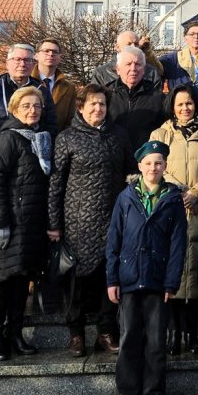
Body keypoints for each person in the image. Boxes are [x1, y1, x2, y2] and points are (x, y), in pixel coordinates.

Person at [48, 83, 134, 355]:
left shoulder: (118, 136)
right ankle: (76, 334)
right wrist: (54, 223)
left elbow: (130, 173)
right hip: (78, 222)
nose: (98, 108)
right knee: (77, 282)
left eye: (102, 104)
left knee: (109, 276)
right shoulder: (67, 138)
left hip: (112, 219)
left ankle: (105, 331)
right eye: (93, 104)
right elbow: (56, 184)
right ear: (81, 107)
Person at [106, 140, 187, 395]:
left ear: (165, 166)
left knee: (155, 339)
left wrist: (171, 282)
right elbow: (114, 239)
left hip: (157, 279)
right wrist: (112, 279)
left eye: (158, 163)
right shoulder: (126, 198)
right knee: (129, 337)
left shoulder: (172, 199)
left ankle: (154, 392)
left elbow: (178, 244)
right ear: (140, 166)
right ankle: (127, 393)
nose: (153, 167)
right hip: (129, 278)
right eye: (149, 163)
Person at [0, 87, 53, 360]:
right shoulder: (8, 139)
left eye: (37, 106)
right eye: (26, 106)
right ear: (14, 109)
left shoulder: (40, 138)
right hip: (10, 222)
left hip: (31, 223)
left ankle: (15, 332)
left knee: (22, 280)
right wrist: (0, 221)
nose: (32, 110)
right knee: (3, 280)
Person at [152, 84, 198, 354]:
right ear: (172, 106)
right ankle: (173, 332)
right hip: (170, 208)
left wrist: (196, 192)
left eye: (189, 103)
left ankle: (191, 332)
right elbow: (156, 164)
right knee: (172, 270)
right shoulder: (161, 133)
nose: (185, 108)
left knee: (194, 272)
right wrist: (179, 191)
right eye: (180, 104)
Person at [0, 43, 54, 135]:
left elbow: (51, 125)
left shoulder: (42, 91)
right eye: (17, 59)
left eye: (27, 60)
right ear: (7, 64)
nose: (22, 64)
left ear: (33, 64)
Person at [105, 45, 168, 150]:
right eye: (128, 64)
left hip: (145, 156)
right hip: (113, 155)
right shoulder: (106, 96)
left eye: (138, 64)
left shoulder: (158, 98)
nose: (133, 68)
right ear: (118, 69)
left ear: (144, 70)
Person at [34, 39, 77, 133]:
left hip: (59, 138)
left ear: (60, 57)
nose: (51, 54)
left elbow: (71, 119)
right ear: (36, 55)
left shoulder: (69, 88)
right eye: (46, 51)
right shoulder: (27, 82)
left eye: (55, 52)